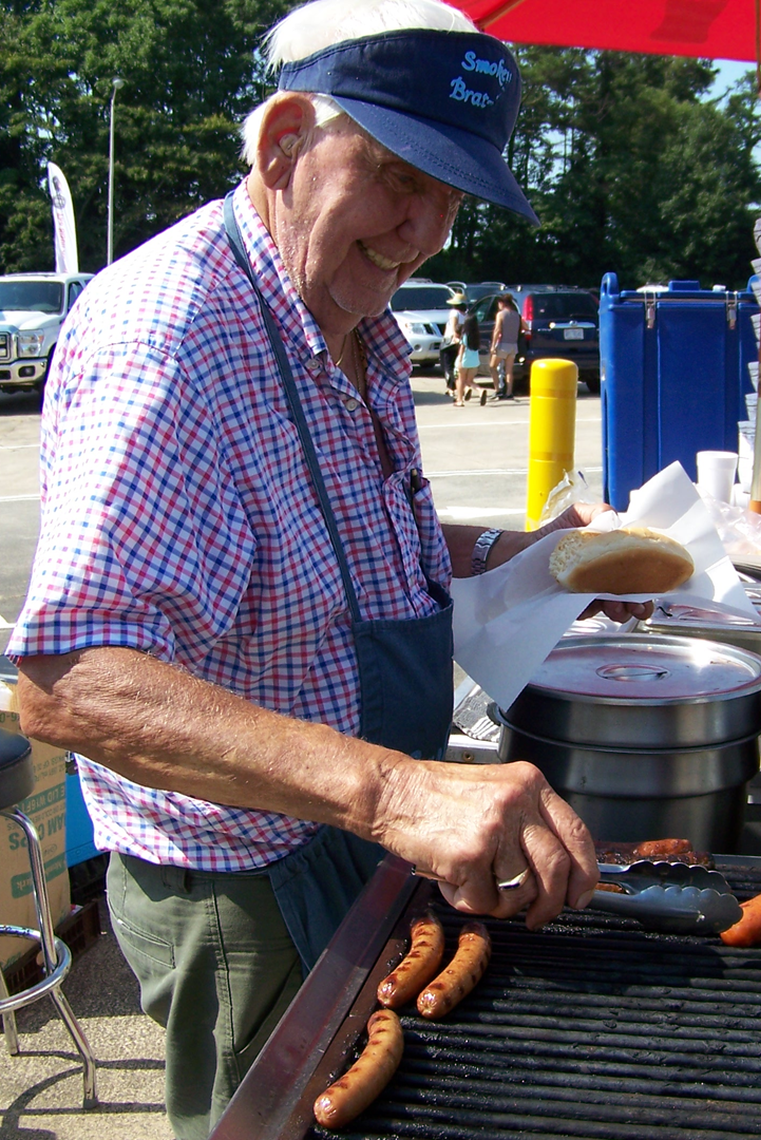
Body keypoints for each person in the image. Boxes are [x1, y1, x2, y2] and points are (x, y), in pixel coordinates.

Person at [8, 3, 649, 1136]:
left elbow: (357, 544)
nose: (424, 230)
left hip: (357, 847)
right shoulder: (170, 339)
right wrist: (399, 789)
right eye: (401, 175)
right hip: (246, 890)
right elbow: (70, 680)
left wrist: (529, 555)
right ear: (285, 142)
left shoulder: (351, 317)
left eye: (454, 197)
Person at [489, 292, 527, 399]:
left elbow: (497, 330)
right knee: (509, 370)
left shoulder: (500, 315)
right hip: (513, 345)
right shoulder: (516, 315)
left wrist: (493, 345)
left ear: (502, 303)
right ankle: (509, 392)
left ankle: (497, 390)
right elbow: (526, 327)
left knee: (492, 367)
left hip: (503, 344)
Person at [455, 309, 482, 405]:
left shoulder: (466, 335)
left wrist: (460, 360)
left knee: (461, 380)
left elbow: (462, 348)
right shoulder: (477, 336)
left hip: (465, 360)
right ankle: (480, 390)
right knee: (470, 380)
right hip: (474, 361)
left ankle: (459, 400)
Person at [440, 293, 466, 393]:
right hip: (460, 342)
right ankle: (454, 387)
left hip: (450, 341)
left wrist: (455, 335)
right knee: (456, 365)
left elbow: (454, 326)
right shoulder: (465, 315)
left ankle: (454, 386)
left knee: (447, 365)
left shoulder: (454, 312)